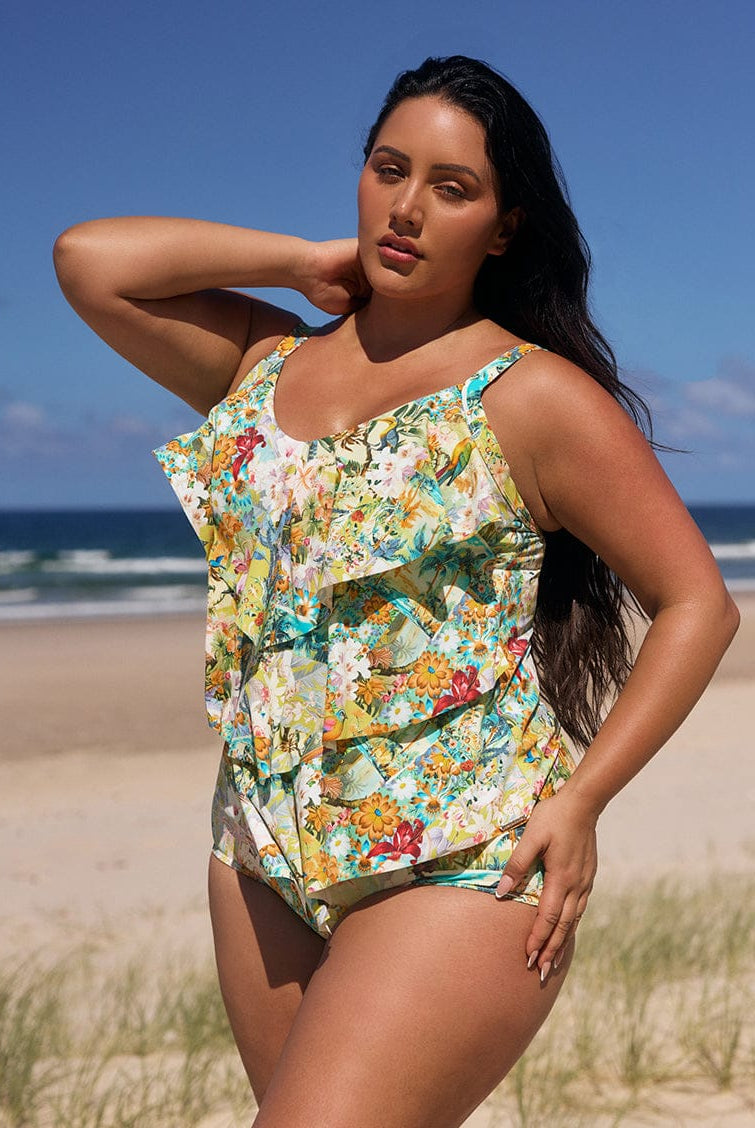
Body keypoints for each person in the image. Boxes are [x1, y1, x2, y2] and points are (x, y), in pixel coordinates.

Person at [53, 54, 738, 1128]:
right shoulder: (261, 365)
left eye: (451, 187)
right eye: (388, 169)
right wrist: (298, 260)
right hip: (260, 846)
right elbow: (92, 261)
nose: (407, 207)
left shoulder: (528, 398)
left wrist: (583, 798)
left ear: (503, 228)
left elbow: (697, 604)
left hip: (464, 854)